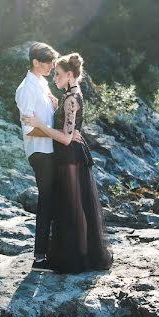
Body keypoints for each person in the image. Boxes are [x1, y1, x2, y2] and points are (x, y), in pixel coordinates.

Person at [22, 53, 112, 274]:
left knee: (74, 207)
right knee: (69, 206)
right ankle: (74, 253)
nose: (54, 77)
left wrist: (38, 124)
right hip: (66, 156)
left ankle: (79, 257)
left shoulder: (71, 99)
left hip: (71, 156)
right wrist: (55, 105)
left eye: (58, 74)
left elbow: (65, 137)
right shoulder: (68, 96)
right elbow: (67, 126)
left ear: (70, 74)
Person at [15, 42, 60, 272]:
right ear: (35, 62)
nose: (52, 66)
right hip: (40, 152)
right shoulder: (26, 89)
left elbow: (44, 119)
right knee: (47, 201)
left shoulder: (43, 84)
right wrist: (59, 134)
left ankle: (51, 252)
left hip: (51, 149)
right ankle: (40, 258)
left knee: (53, 200)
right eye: (48, 62)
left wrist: (55, 106)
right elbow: (29, 129)